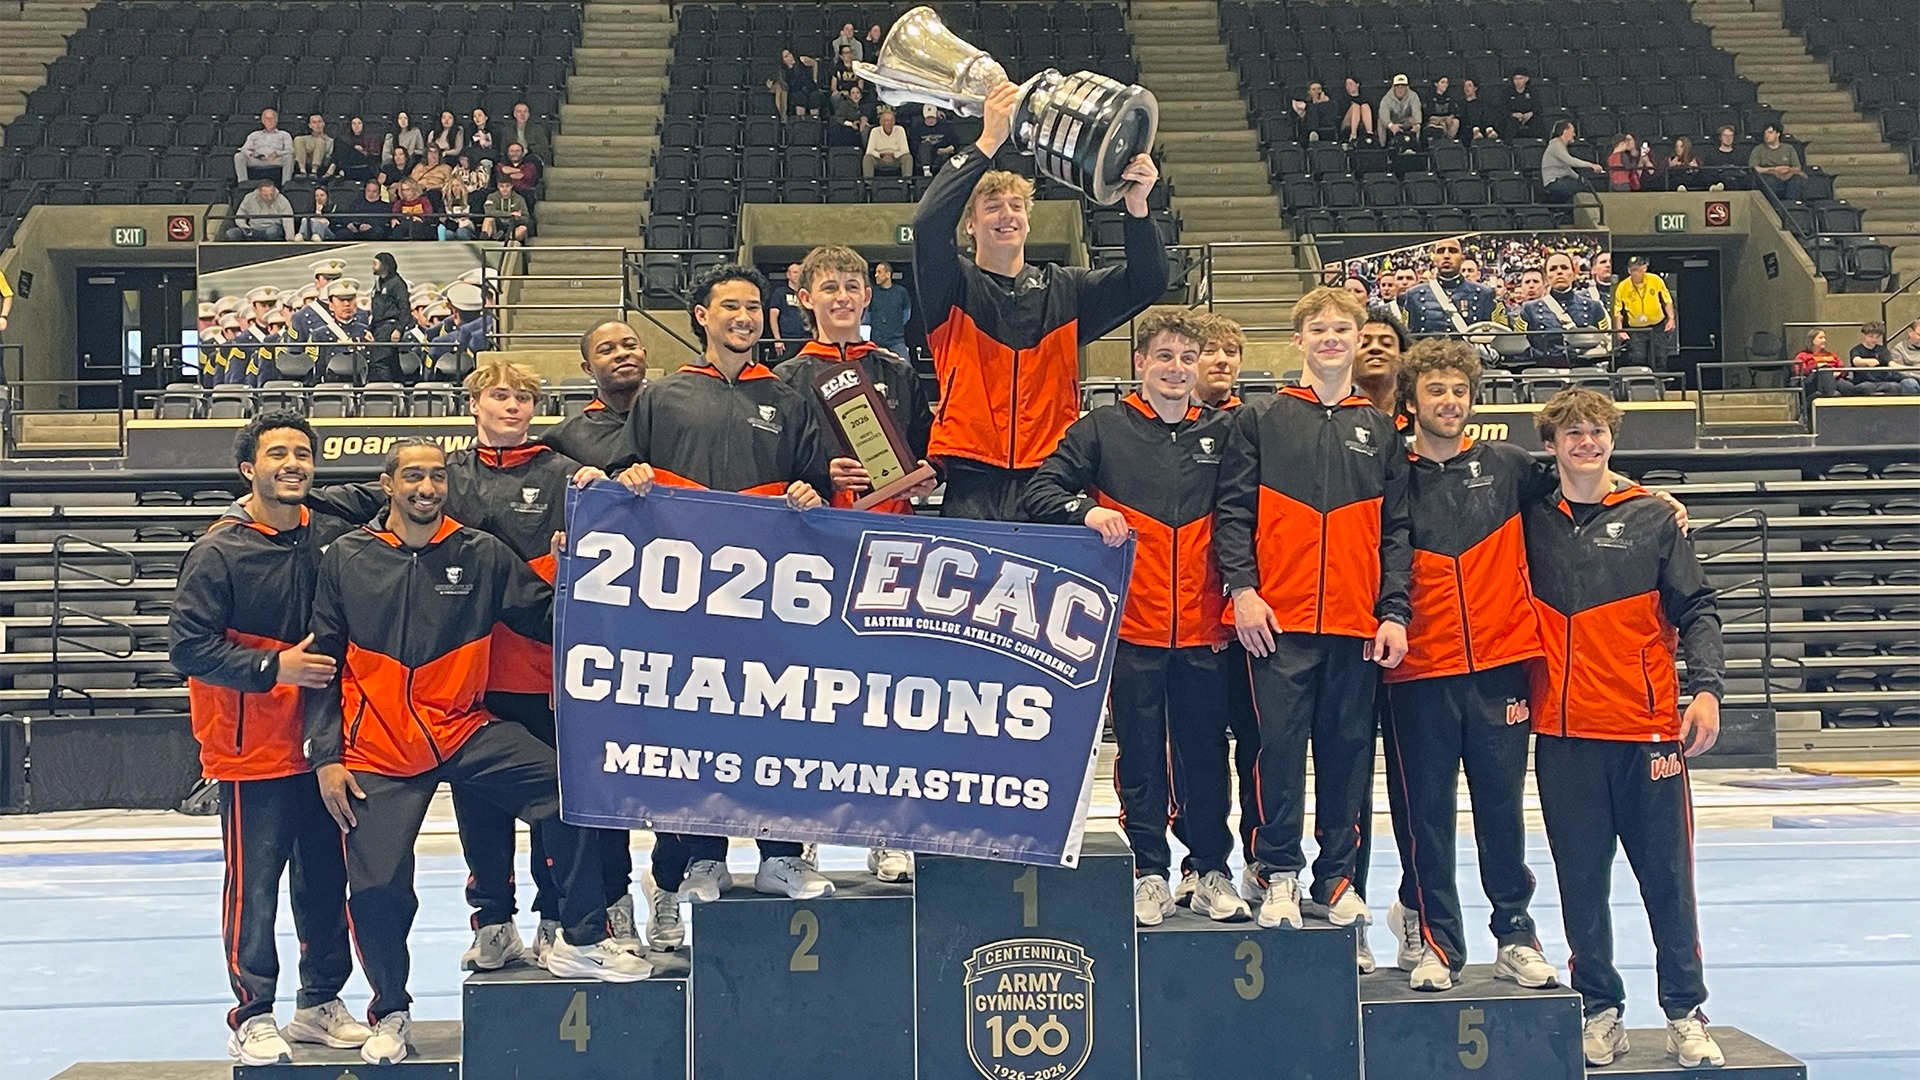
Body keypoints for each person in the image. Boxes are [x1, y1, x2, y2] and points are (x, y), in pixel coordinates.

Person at [306, 439, 653, 1064]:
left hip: (461, 727)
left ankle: (577, 937)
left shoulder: (481, 553)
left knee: (567, 788)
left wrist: (581, 571)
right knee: (380, 887)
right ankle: (391, 1011)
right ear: (388, 484)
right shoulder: (348, 558)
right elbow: (325, 660)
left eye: (438, 476)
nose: (428, 487)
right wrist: (327, 755)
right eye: (413, 476)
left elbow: (549, 617)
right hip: (378, 748)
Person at [580, 264, 833, 907]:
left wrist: (812, 491)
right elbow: (618, 478)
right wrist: (626, 477)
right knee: (694, 729)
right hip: (684, 602)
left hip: (768, 601)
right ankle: (702, 858)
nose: (744, 317)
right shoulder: (662, 397)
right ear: (703, 316)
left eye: (753, 307)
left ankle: (781, 855)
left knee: (777, 723)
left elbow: (816, 490)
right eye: (730, 307)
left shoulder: (786, 397)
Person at [1022, 310, 1249, 926]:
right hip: (1131, 629)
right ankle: (1149, 869)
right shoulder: (1102, 429)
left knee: (1205, 755)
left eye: (1187, 357)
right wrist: (1085, 512)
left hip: (1206, 628)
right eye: (1165, 356)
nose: (1177, 368)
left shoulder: (1225, 434)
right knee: (1142, 756)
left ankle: (1209, 871)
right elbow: (1039, 492)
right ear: (1140, 362)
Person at [1523, 389, 1725, 1070]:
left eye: (1597, 432)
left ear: (1613, 438)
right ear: (1550, 446)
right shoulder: (1528, 516)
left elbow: (1698, 609)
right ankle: (1600, 1008)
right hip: (1563, 735)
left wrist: (1706, 691)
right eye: (1572, 433)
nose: (1586, 443)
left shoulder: (1654, 517)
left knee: (1667, 881)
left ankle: (1685, 1011)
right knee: (1581, 885)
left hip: (1646, 733)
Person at [168, 412, 374, 1066]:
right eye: (278, 453)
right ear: (247, 470)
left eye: (303, 453)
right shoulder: (218, 551)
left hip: (323, 753)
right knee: (253, 890)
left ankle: (319, 1004)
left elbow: (394, 489)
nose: (293, 463)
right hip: (250, 754)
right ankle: (251, 1013)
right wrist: (272, 667)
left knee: (325, 884)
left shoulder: (332, 532)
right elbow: (187, 648)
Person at [1215, 286, 1411, 932]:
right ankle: (1278, 875)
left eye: (1342, 330)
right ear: (1298, 341)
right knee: (1276, 751)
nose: (1331, 339)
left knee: (1348, 754)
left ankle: (1336, 878)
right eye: (1319, 330)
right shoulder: (1262, 417)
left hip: (1356, 624)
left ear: (1358, 343)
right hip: (1278, 621)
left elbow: (1397, 531)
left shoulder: (1378, 428)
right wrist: (1242, 591)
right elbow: (1234, 513)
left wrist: (1393, 612)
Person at [1378, 341, 1561, 994]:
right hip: (1418, 674)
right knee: (1424, 816)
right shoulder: (1389, 474)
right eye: (1436, 391)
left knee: (1501, 812)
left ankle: (1515, 934)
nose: (1449, 401)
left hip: (1500, 668)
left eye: (1458, 390)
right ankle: (1436, 944)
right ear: (1411, 401)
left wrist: (1649, 499)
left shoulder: (1508, 466)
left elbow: (1585, 473)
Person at [914, 81, 1166, 520]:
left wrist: (1138, 208)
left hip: (1051, 476)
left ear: (1029, 222)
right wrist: (987, 141)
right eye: (992, 207)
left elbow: (1148, 281)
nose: (1007, 215)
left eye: (1017, 206)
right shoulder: (952, 286)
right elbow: (929, 224)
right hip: (971, 475)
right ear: (970, 224)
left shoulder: (1067, 290)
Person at [775, 244, 935, 519]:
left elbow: (926, 447)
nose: (842, 297)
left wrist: (931, 473)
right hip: (818, 527)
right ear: (806, 298)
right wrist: (825, 476)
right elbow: (778, 466)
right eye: (829, 288)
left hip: (893, 526)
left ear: (867, 296)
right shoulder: (784, 380)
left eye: (852, 287)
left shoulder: (899, 373)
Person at [543, 321, 648, 468]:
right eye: (606, 350)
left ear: (644, 354)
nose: (622, 353)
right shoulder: (564, 438)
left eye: (630, 346)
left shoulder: (676, 420)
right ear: (588, 368)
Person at [1402, 236, 1507, 337]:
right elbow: (1406, 338)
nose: (1446, 255)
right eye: (1441, 251)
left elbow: (1499, 339)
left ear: (1462, 258)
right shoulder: (1414, 295)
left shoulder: (1484, 294)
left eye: (1453, 251)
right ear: (1434, 258)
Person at [1520, 252, 1611, 366]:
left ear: (1573, 273)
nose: (1559, 272)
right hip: (1545, 374)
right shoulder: (1528, 309)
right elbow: (1520, 347)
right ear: (1546, 277)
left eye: (1564, 268)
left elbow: (1607, 343)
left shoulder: (1594, 307)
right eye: (1553, 269)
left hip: (1585, 372)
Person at [1613, 255, 1677, 372]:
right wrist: (1620, 330)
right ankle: (1639, 384)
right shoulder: (1623, 287)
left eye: (1637, 269)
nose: (1635, 273)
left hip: (1657, 326)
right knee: (1638, 357)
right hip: (1636, 329)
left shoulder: (1655, 280)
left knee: (1660, 356)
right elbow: (1618, 311)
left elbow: (1667, 301)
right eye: (1632, 270)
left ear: (1644, 268)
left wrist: (1671, 318)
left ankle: (1660, 384)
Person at [303, 278, 371, 384]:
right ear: (331, 305)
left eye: (350, 299)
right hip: (331, 391)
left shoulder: (366, 332)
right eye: (341, 300)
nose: (346, 304)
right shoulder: (319, 336)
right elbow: (315, 371)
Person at [366, 253, 409, 383]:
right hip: (378, 327)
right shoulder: (379, 284)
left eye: (376, 263)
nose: (372, 266)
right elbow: (377, 311)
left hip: (389, 327)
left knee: (381, 362)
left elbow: (404, 308)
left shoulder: (397, 284)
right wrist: (370, 329)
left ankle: (385, 390)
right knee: (390, 364)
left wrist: (399, 329)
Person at [1541, 121, 1604, 203]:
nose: (1574, 135)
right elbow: (1570, 161)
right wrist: (1591, 165)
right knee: (1581, 190)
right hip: (1554, 182)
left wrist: (1580, 179)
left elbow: (1566, 169)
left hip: (1560, 181)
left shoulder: (1560, 146)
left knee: (1583, 189)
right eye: (1573, 131)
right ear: (1565, 131)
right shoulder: (1555, 145)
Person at [234, 108, 294, 184]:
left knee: (289, 157)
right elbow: (244, 148)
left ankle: (286, 184)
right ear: (262, 121)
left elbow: (290, 150)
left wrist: (277, 153)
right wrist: (252, 154)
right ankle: (243, 183)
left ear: (276, 120)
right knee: (239, 156)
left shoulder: (284, 134)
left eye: (272, 118)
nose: (270, 121)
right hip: (257, 160)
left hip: (275, 160)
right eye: (267, 118)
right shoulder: (254, 134)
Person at [224, 179, 295, 242]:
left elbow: (288, 220)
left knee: (272, 231)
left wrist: (290, 239)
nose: (269, 198)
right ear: (259, 192)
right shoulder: (249, 198)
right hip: (253, 229)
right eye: (265, 195)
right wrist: (244, 226)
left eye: (271, 194)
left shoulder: (282, 200)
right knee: (231, 233)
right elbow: (240, 215)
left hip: (272, 229)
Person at [1748, 123, 1806, 201]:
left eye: (1770, 133)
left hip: (1786, 177)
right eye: (1765, 133)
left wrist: (1787, 170)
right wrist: (1774, 169)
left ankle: (1792, 205)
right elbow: (1754, 168)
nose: (1767, 136)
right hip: (1768, 177)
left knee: (1797, 180)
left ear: (1778, 134)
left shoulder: (1788, 148)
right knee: (1769, 181)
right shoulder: (1758, 149)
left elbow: (1797, 167)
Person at [866, 260, 912, 356]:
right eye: (875, 272)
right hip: (877, 342)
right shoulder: (872, 293)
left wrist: (894, 324)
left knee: (906, 367)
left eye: (879, 272)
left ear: (888, 274)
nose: (875, 275)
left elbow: (906, 315)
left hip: (896, 341)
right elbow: (867, 316)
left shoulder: (901, 292)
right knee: (873, 369)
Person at [1377, 74, 1424, 150]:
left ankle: (1416, 146)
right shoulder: (1387, 98)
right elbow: (1383, 113)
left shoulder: (1413, 96)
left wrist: (1417, 124)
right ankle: (1382, 147)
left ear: (1407, 87)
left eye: (1403, 86)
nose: (1400, 89)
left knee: (1416, 122)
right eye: (1398, 86)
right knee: (1380, 121)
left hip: (1406, 121)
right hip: (1393, 121)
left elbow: (1416, 111)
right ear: (1394, 87)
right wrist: (1391, 125)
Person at [481, 176, 531, 244]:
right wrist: (510, 214)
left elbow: (526, 218)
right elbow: (489, 212)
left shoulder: (519, 199)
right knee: (488, 218)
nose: (504, 189)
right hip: (497, 225)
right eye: (502, 186)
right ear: (498, 186)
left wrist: (517, 218)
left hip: (513, 226)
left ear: (511, 186)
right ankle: (484, 239)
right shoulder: (491, 197)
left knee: (523, 228)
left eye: (507, 186)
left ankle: (504, 237)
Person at [863, 107, 910, 177]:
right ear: (881, 122)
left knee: (908, 157)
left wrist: (893, 155)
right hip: (879, 159)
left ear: (894, 121)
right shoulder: (875, 131)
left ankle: (907, 183)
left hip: (896, 159)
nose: (889, 123)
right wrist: (882, 155)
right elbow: (869, 151)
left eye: (891, 120)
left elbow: (905, 150)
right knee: (867, 158)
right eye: (886, 120)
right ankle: (868, 184)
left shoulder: (900, 129)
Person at [912, 105, 958, 175]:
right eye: (928, 118)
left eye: (932, 117)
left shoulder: (945, 126)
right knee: (925, 145)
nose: (930, 120)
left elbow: (954, 141)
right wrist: (927, 143)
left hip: (941, 154)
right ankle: (926, 170)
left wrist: (948, 149)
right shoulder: (917, 128)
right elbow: (914, 145)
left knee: (944, 155)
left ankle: (943, 174)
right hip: (924, 156)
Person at [1697, 125, 1746, 190]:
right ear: (1720, 137)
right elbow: (1707, 174)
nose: (1728, 138)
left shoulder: (1740, 155)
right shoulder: (1711, 155)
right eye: (1725, 135)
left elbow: (1745, 173)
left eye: (1731, 135)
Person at [337, 116, 382, 182]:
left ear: (363, 125)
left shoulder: (371, 138)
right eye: (354, 124)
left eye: (359, 123)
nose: (356, 126)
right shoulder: (347, 139)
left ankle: (338, 168)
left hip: (365, 163)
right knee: (339, 142)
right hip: (350, 164)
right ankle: (340, 168)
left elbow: (375, 154)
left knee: (342, 144)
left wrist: (362, 150)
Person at [292, 114, 336, 180]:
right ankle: (302, 171)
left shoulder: (330, 140)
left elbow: (330, 154)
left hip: (323, 161)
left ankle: (314, 171)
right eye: (314, 122)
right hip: (306, 159)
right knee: (298, 139)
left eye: (319, 122)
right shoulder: (304, 139)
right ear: (310, 125)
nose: (317, 125)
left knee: (320, 141)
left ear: (323, 124)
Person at [1502, 69, 1541, 139]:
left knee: (1539, 121)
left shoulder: (1532, 91)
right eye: (1515, 79)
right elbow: (1502, 108)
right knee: (1508, 123)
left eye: (1520, 78)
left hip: (1529, 117)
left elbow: (1538, 107)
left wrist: (1531, 113)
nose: (1518, 81)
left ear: (1526, 79)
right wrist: (1512, 114)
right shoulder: (1507, 92)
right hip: (1513, 117)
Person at [1459, 78, 1500, 142]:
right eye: (1465, 86)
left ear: (1475, 88)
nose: (1466, 88)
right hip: (1468, 127)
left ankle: (1489, 129)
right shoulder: (1461, 103)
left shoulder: (1483, 102)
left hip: (1483, 125)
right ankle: (1476, 130)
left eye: (1469, 86)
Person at [1424, 76, 1459, 141]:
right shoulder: (1430, 97)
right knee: (1440, 125)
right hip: (1434, 121)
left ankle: (1449, 141)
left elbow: (1453, 112)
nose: (1445, 85)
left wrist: (1447, 119)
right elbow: (1429, 115)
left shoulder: (1450, 97)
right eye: (1442, 82)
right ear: (1436, 84)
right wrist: (1443, 119)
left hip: (1447, 121)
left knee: (1456, 122)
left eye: (1447, 83)